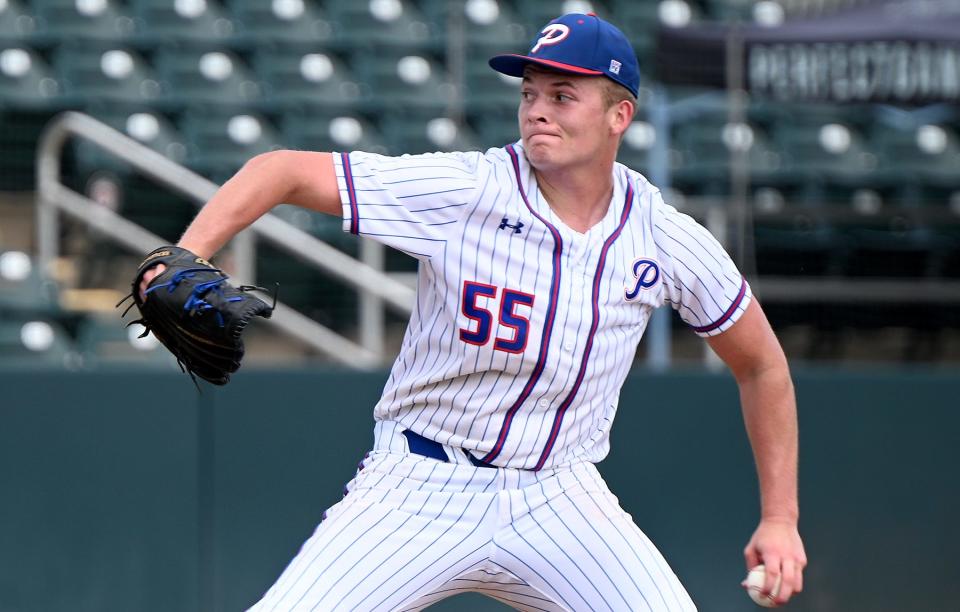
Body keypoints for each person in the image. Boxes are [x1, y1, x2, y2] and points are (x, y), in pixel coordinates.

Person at [141, 13, 806, 611]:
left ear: (619, 116)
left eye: (563, 96)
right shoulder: (468, 190)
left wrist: (780, 517)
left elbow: (763, 366)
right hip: (420, 484)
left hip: (559, 497)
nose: (538, 110)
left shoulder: (662, 236)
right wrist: (185, 253)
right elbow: (280, 170)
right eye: (530, 94)